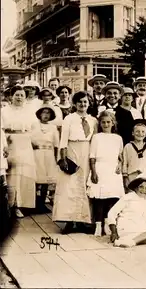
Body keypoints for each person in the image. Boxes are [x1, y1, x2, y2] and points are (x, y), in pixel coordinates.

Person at [53, 91, 96, 234]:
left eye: (85, 102)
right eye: (79, 102)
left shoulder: (93, 120)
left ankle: (83, 221)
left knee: (84, 185)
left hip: (87, 151)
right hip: (72, 150)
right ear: (75, 104)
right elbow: (63, 140)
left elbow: (95, 140)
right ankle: (69, 221)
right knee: (69, 186)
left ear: (89, 103)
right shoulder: (69, 119)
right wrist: (63, 158)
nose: (82, 104)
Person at [1, 86, 38, 217]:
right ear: (11, 96)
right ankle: (9, 205)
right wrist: (5, 139)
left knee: (23, 174)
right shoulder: (4, 111)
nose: (19, 97)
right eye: (17, 95)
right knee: (12, 175)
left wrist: (32, 139)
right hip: (10, 143)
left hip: (25, 143)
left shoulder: (29, 111)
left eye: (22, 95)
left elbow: (34, 128)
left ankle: (20, 205)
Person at [87, 111, 124, 237]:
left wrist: (119, 165)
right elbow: (92, 156)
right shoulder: (97, 137)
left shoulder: (118, 138)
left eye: (108, 122)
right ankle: (98, 224)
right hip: (100, 168)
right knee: (99, 199)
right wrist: (93, 172)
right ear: (100, 123)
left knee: (112, 198)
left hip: (113, 170)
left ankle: (108, 224)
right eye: (103, 122)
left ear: (113, 123)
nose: (106, 124)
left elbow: (120, 156)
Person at [108, 177, 146, 248]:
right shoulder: (128, 197)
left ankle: (126, 241)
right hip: (126, 225)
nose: (144, 190)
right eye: (141, 187)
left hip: (138, 227)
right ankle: (132, 242)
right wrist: (114, 232)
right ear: (136, 188)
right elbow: (111, 213)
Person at [31, 106, 59, 213]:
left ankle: (42, 204)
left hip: (48, 154)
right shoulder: (34, 125)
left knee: (45, 180)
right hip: (36, 153)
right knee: (36, 178)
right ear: (39, 114)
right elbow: (29, 139)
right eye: (44, 112)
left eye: (48, 113)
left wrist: (56, 158)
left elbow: (56, 144)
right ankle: (34, 204)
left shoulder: (53, 127)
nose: (46, 115)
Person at [122, 120, 146, 186]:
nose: (140, 133)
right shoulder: (128, 146)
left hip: (145, 176)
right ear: (133, 133)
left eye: (143, 132)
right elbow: (125, 162)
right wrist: (125, 177)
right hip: (131, 175)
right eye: (137, 131)